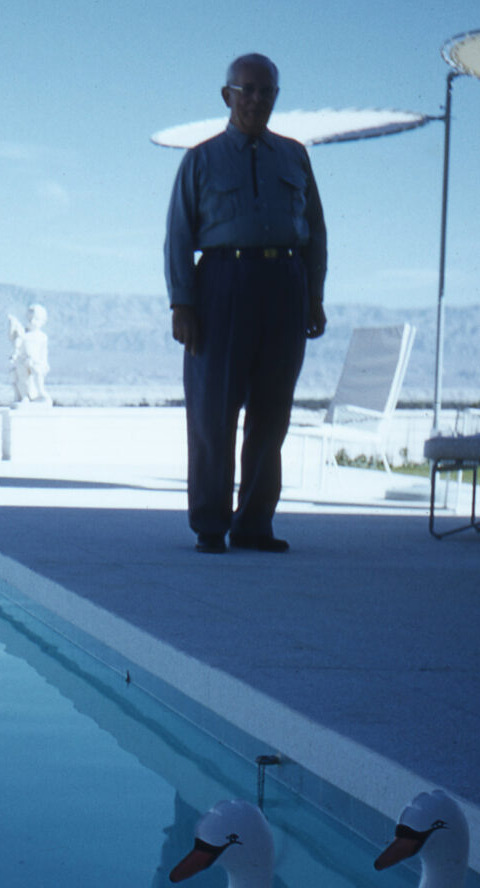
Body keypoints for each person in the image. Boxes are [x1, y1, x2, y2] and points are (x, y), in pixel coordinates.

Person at [165, 53, 327, 553]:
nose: (256, 99)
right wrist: (183, 304)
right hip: (221, 285)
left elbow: (315, 233)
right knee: (214, 411)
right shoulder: (201, 159)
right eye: (247, 89)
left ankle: (255, 522)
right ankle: (210, 523)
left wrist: (314, 296)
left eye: (266, 91)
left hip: (284, 285)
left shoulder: (295, 157)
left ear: (276, 97)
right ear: (227, 96)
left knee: (272, 411)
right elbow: (177, 235)